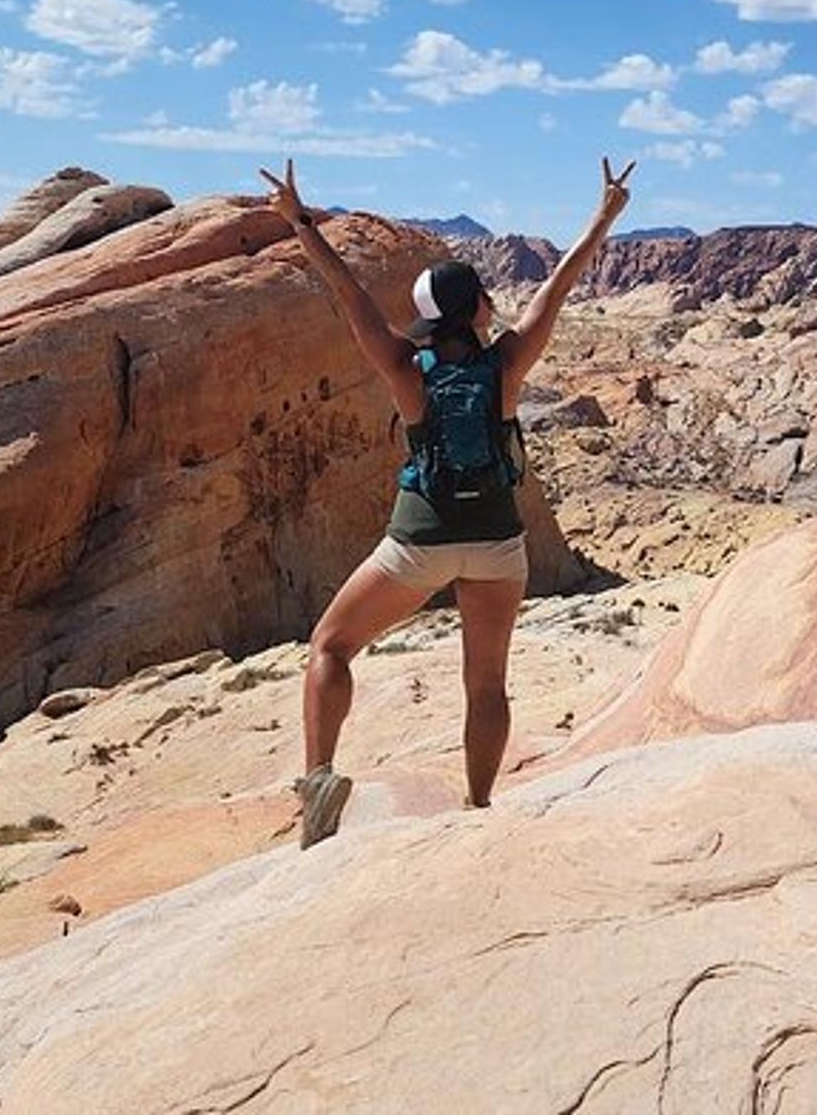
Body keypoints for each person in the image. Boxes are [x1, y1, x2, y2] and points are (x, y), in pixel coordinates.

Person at [256, 156, 637, 848]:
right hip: (497, 540)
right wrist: (605, 215)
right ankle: (480, 806)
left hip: (420, 538)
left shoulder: (406, 369)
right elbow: (559, 286)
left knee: (332, 646)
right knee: (486, 682)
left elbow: (351, 300)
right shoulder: (509, 364)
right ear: (476, 309)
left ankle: (318, 783)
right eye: (486, 297)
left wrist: (301, 224)